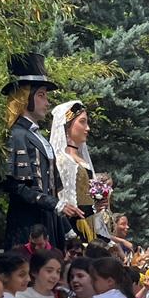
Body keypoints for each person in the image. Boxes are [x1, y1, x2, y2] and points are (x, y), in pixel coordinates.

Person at [0, 53, 83, 252]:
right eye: (41, 95)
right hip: (27, 225)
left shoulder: (38, 137)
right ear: (24, 97)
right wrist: (56, 205)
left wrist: (65, 228)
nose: (47, 102)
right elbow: (16, 186)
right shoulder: (16, 135)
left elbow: (50, 190)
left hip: (47, 223)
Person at [51, 100, 112, 246]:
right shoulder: (62, 160)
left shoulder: (81, 160)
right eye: (82, 122)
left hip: (88, 227)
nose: (87, 128)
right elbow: (66, 202)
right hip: (74, 229)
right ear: (67, 125)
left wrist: (98, 205)